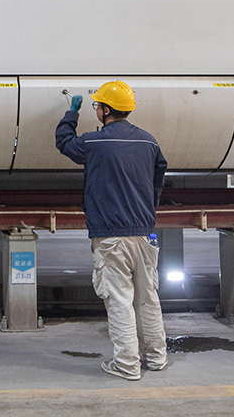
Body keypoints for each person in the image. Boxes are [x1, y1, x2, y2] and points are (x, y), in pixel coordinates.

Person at [55, 80, 168, 381]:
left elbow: (65, 143)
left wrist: (71, 114)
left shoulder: (94, 142)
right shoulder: (149, 142)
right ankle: (157, 358)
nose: (96, 110)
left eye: (97, 105)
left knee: (119, 300)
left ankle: (127, 364)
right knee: (148, 298)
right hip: (144, 233)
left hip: (110, 236)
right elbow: (158, 181)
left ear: (105, 110)